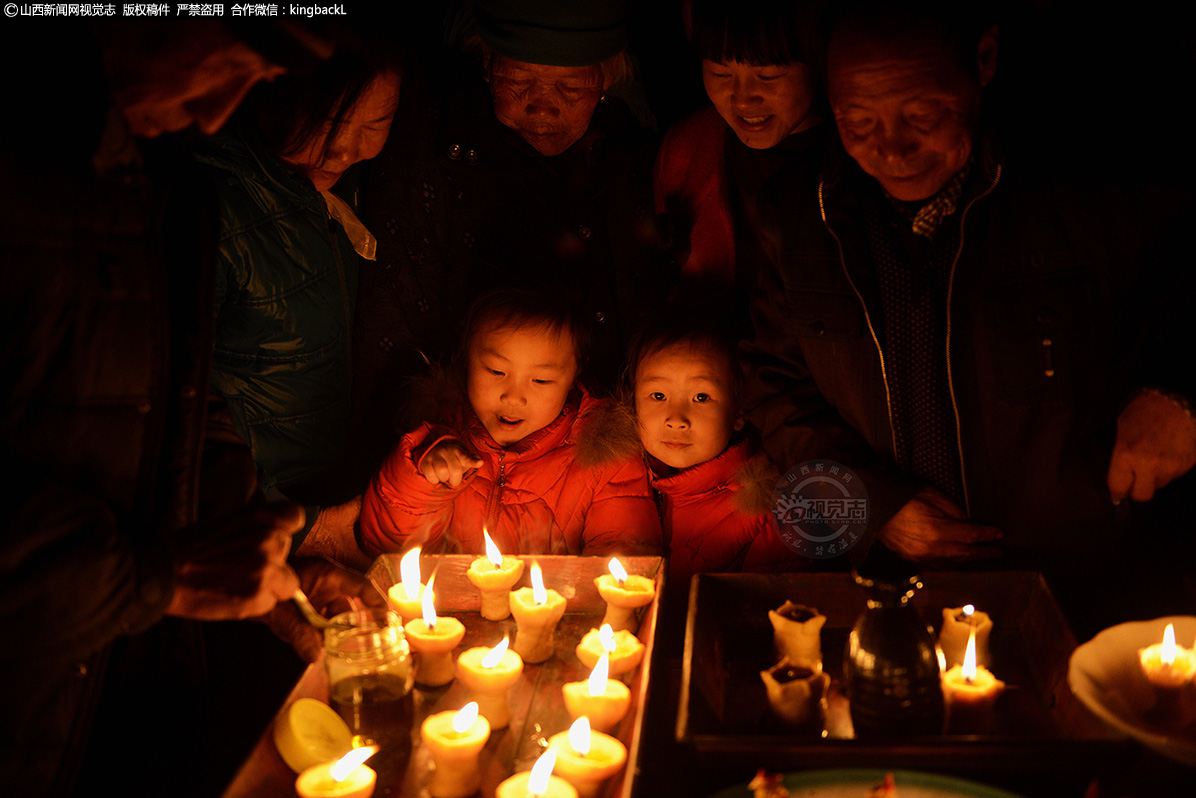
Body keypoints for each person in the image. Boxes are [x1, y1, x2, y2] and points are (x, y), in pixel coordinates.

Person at [0, 21, 379, 797]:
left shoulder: (166, 183)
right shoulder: (26, 173)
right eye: (224, 64)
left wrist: (260, 561)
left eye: (257, 82)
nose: (217, 113)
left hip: (128, 693)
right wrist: (161, 575)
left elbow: (174, 404)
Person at [739, 1, 1196, 618]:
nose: (892, 149)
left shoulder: (1091, 184)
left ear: (983, 61)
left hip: (1086, 587)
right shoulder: (798, 215)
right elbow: (777, 386)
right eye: (858, 122)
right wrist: (875, 507)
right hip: (893, 591)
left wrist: (1180, 396)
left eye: (921, 114)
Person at [352, 0, 669, 467]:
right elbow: (392, 336)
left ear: (607, 78)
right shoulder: (433, 155)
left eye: (571, 86)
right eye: (518, 81)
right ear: (488, 63)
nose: (542, 107)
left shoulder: (638, 165)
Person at [193, 52, 403, 568]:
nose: (346, 148)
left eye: (376, 124)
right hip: (238, 527)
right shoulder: (210, 207)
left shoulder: (345, 183)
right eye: (330, 123)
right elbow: (181, 416)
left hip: (336, 499)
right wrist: (300, 525)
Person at [360, 289, 663, 558]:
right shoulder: (436, 430)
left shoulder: (607, 458)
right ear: (467, 359)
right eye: (495, 371)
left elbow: (628, 562)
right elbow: (387, 551)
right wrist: (424, 481)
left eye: (541, 380)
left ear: (573, 376)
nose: (514, 397)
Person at [654, 0, 826, 332]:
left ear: (818, 60)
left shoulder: (859, 157)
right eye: (720, 72)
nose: (743, 98)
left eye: (768, 75)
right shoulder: (689, 150)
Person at [630, 308, 808, 587]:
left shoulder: (770, 516)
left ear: (739, 411)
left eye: (701, 397)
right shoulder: (619, 482)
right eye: (658, 395)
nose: (676, 419)